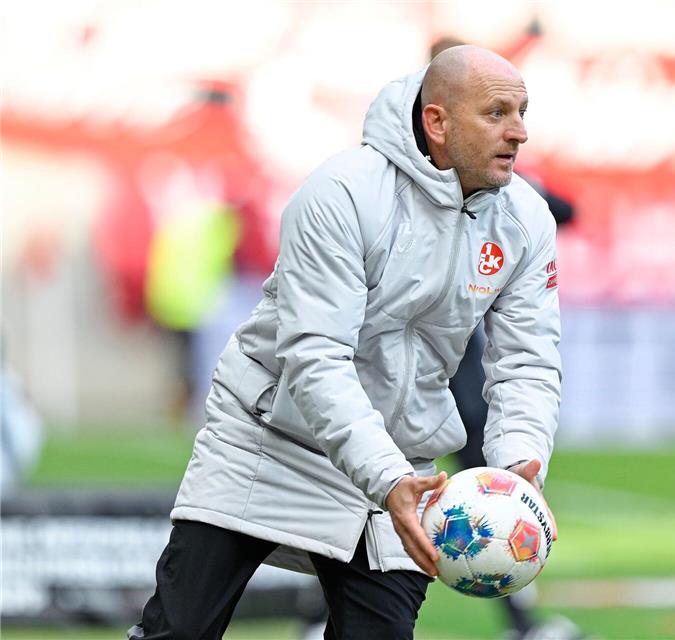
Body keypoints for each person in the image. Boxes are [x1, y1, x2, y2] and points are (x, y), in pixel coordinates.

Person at [128, 44, 561, 640]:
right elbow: (316, 357)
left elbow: (527, 361)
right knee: (178, 634)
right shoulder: (341, 192)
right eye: (496, 114)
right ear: (437, 122)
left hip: (402, 467)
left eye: (522, 113)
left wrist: (517, 468)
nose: (519, 132)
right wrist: (387, 478)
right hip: (270, 440)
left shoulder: (527, 219)